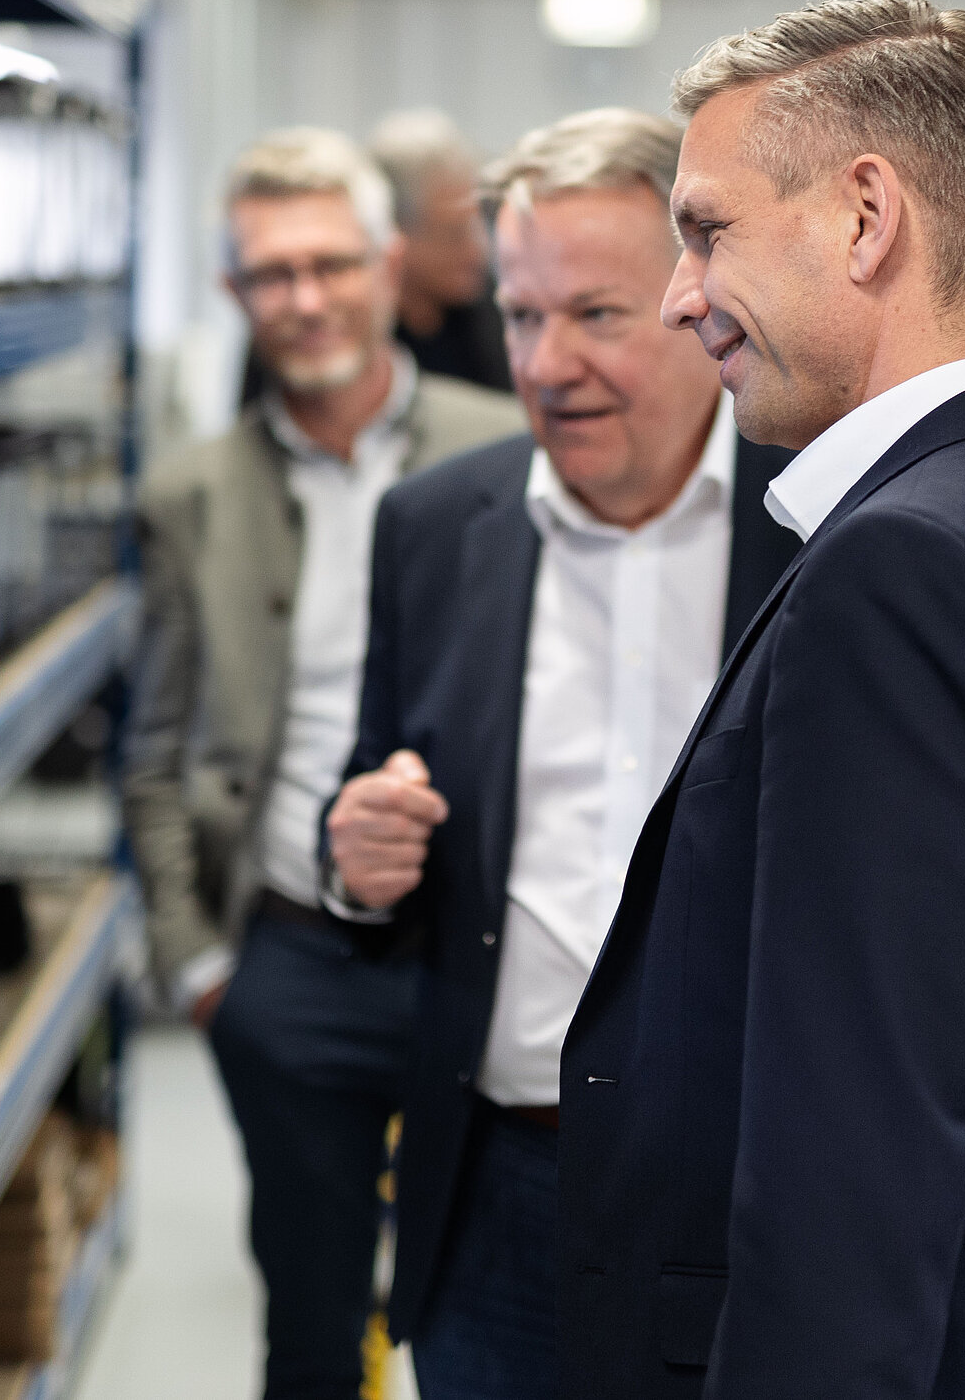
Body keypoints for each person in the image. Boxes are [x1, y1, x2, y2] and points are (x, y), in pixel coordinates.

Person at [562, 0, 965, 1399]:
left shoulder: (906, 568)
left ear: (864, 217)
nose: (680, 293)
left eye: (708, 228)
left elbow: (855, 1174)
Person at [320, 108, 801, 1400]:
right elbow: (380, 829)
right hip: (497, 1199)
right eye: (521, 315)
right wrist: (355, 862)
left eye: (596, 312)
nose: (547, 361)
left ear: (703, 300)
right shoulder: (437, 527)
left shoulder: (823, 534)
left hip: (748, 1201)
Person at [124, 127, 520, 1400]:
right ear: (237, 295)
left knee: (492, 1313)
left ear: (389, 264)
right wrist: (200, 967)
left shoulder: (505, 446)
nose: (302, 300)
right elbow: (153, 748)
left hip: (484, 958)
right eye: (268, 275)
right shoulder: (191, 492)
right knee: (310, 1321)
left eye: (328, 265)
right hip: (287, 964)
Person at [374, 109, 513, 392]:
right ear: (396, 232)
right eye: (452, 236)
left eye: (479, 228)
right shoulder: (351, 331)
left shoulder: (501, 310)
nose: (479, 252)